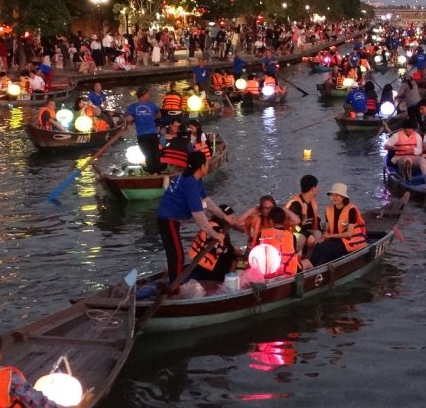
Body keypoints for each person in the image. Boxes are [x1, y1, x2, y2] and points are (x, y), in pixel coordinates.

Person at [155, 150, 234, 286]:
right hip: (167, 219)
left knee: (176, 253)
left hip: (172, 218)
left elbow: (206, 201)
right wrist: (214, 234)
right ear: (201, 166)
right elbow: (198, 216)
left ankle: (175, 282)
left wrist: (223, 216)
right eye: (207, 164)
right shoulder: (190, 184)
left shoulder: (195, 179)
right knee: (177, 255)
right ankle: (175, 286)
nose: (208, 166)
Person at [309, 182, 366, 265]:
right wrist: (323, 237)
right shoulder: (328, 209)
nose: (334, 198)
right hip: (334, 240)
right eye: (332, 195)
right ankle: (312, 268)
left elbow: (349, 234)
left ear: (343, 197)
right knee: (318, 245)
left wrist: (330, 236)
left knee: (322, 248)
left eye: (337, 195)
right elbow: (327, 230)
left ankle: (312, 268)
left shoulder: (351, 210)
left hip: (348, 242)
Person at [248, 205, 303, 279]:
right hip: (288, 274)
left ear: (270, 221)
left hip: (267, 274)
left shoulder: (262, 234)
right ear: (284, 221)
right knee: (306, 262)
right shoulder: (291, 236)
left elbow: (255, 251)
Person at [126, 88, 161, 171]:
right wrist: (151, 116)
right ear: (143, 95)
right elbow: (159, 115)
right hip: (152, 133)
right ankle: (158, 171)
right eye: (148, 93)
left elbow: (128, 119)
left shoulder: (133, 107)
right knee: (155, 153)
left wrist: (135, 117)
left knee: (147, 154)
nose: (149, 95)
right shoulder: (152, 105)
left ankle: (153, 172)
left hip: (142, 134)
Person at [284, 174, 322, 251]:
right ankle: (295, 258)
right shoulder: (296, 204)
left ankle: (311, 259)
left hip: (306, 231)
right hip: (293, 232)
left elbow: (316, 221)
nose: (317, 189)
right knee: (302, 238)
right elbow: (295, 227)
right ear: (313, 189)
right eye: (316, 187)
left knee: (318, 234)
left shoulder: (312, 203)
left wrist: (322, 234)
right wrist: (307, 235)